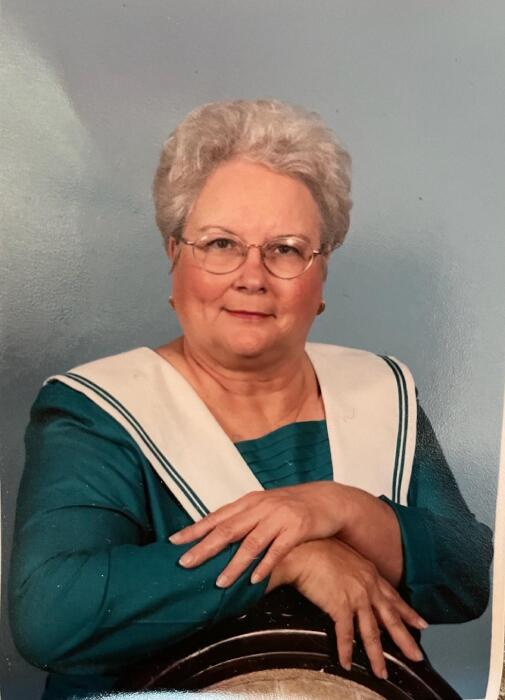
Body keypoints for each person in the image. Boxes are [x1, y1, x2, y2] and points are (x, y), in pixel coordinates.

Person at [9, 99, 493, 700]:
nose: (252, 277)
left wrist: (341, 508)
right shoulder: (95, 411)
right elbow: (52, 617)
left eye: (286, 249)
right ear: (174, 254)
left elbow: (471, 578)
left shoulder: (381, 389)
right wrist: (289, 557)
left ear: (322, 273)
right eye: (220, 244)